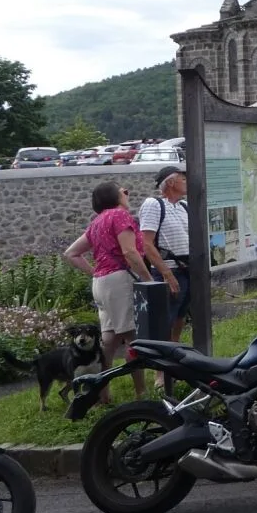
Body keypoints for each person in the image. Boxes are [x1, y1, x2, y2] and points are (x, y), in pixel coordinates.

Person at [63, 181, 153, 400]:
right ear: (113, 197)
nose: (126, 192)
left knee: (110, 340)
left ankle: (102, 393)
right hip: (119, 283)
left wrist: (95, 271)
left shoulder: (97, 222)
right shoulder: (120, 215)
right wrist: (148, 280)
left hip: (101, 284)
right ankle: (141, 392)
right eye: (122, 190)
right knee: (133, 338)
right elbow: (130, 252)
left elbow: (71, 253)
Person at [136, 165, 191, 343]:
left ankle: (175, 355)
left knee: (180, 316)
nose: (186, 182)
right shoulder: (154, 204)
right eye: (183, 179)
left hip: (187, 269)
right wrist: (166, 272)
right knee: (165, 319)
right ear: (171, 182)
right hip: (169, 270)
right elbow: (147, 243)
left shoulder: (184, 206)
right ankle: (162, 368)